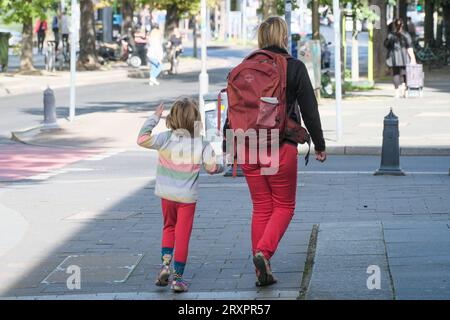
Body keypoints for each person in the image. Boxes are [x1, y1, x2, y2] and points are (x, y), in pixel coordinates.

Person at [222, 16, 326, 287]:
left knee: (261, 207)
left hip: (246, 145)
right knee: (284, 206)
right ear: (283, 36)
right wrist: (320, 145)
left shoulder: (243, 68)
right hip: (278, 146)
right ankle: (263, 253)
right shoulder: (293, 68)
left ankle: (261, 272)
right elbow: (309, 109)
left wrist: (227, 144)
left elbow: (234, 109)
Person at [137, 97, 224, 293]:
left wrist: (154, 118)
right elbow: (211, 168)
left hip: (166, 195)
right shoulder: (201, 143)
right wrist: (221, 166)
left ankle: (165, 266)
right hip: (187, 199)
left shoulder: (165, 138)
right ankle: (177, 280)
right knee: (182, 236)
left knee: (168, 228)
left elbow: (142, 139)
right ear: (196, 120)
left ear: (172, 118)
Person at [384, 18, 417, 98]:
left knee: (396, 74)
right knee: (405, 74)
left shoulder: (391, 35)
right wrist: (413, 58)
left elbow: (386, 45)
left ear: (394, 25)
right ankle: (405, 91)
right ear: (402, 25)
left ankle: (397, 92)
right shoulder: (406, 34)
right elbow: (409, 47)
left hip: (394, 57)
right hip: (404, 56)